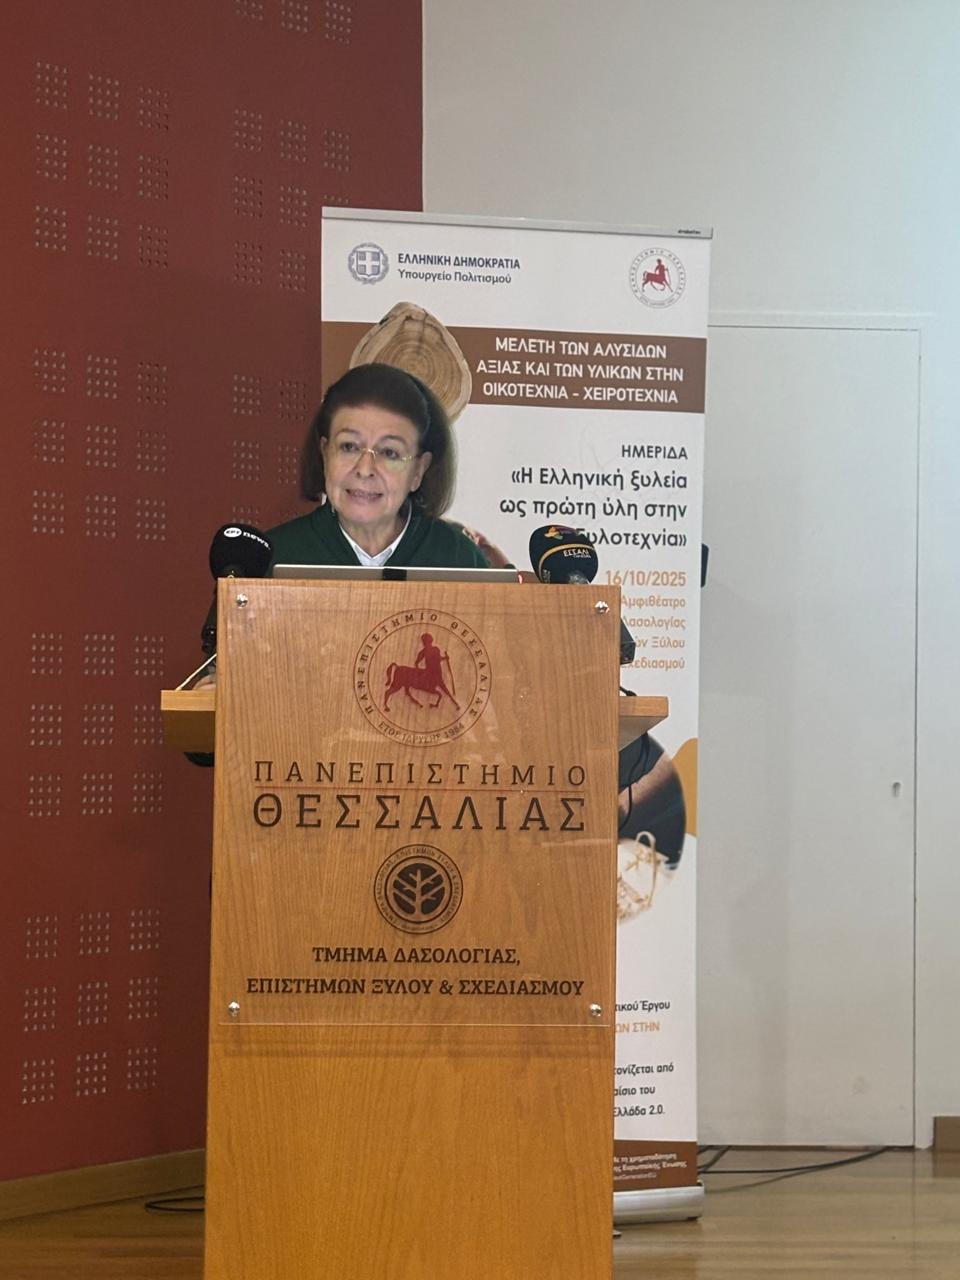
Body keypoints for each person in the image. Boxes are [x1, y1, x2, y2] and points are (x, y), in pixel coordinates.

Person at [268, 362, 491, 569]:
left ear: (418, 471)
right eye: (349, 447)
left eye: (389, 453)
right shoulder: (275, 557)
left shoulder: (461, 560)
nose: (365, 470)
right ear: (325, 454)